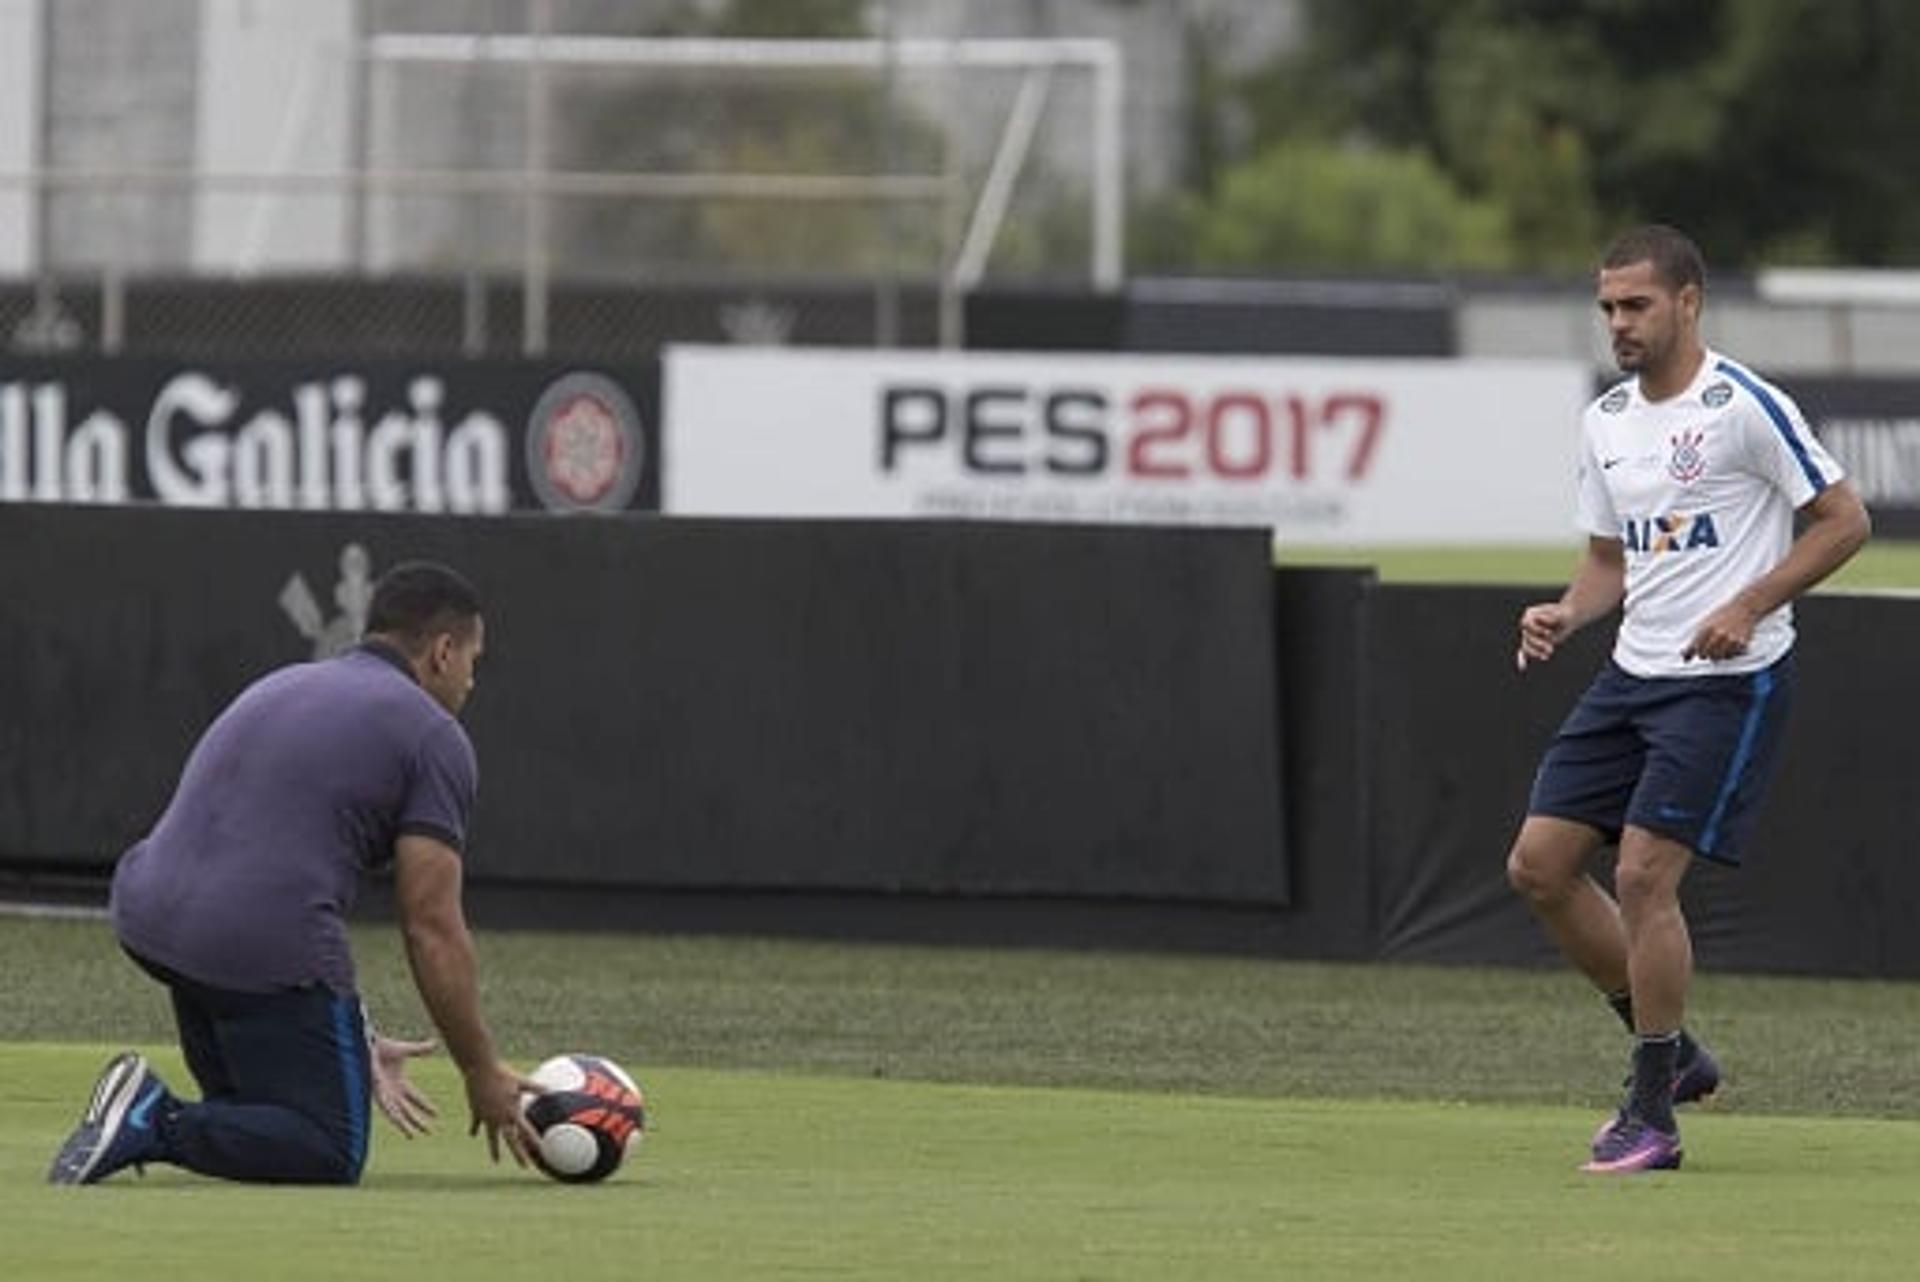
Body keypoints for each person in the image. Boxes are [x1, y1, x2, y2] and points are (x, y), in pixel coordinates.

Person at [1506, 224, 1871, 1174]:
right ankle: (1676, 1054)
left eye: (1636, 305)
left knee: (1641, 878)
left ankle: (1652, 1115)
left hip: (1724, 684)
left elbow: (1846, 520)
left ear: (1688, 301)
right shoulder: (1608, 420)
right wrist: (1564, 613)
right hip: (1632, 673)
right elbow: (1606, 562)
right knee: (1539, 867)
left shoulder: (1744, 405)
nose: (1619, 324)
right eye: (1607, 308)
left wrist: (1749, 603)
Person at [48, 560, 537, 1185]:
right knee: (325, 1146)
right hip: (249, 938)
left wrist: (346, 1034)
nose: (472, 681)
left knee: (251, 1120)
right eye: (474, 659)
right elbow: (431, 927)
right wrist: (480, 1070)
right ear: (443, 651)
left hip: (150, 916)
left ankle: (151, 1115)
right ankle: (152, 1115)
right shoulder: (435, 737)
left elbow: (260, 851)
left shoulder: (287, 681)